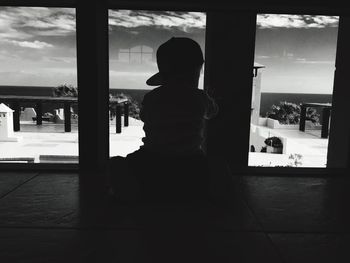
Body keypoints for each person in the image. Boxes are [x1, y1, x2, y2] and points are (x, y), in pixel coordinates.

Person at [109, 37, 218, 202]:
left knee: (115, 164)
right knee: (217, 169)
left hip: (152, 157)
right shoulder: (200, 97)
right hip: (190, 160)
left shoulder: (151, 97)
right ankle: (195, 194)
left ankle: (134, 192)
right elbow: (212, 113)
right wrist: (209, 98)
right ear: (197, 70)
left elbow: (145, 116)